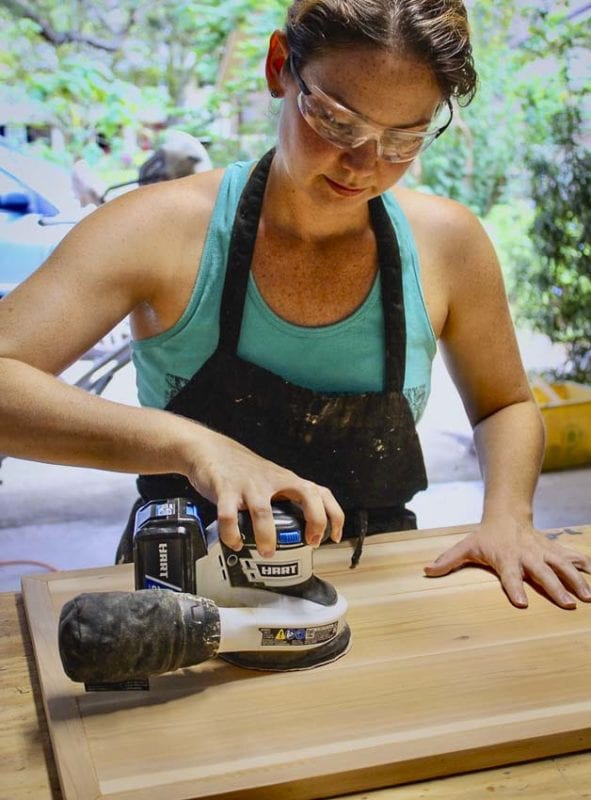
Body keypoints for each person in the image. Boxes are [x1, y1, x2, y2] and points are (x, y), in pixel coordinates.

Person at [0, 0, 589, 608]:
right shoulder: (158, 229)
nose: (365, 165)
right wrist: (195, 447)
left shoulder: (447, 244)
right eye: (337, 122)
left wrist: (509, 517)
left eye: (405, 137)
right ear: (280, 65)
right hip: (184, 585)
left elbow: (506, 405)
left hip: (377, 583)